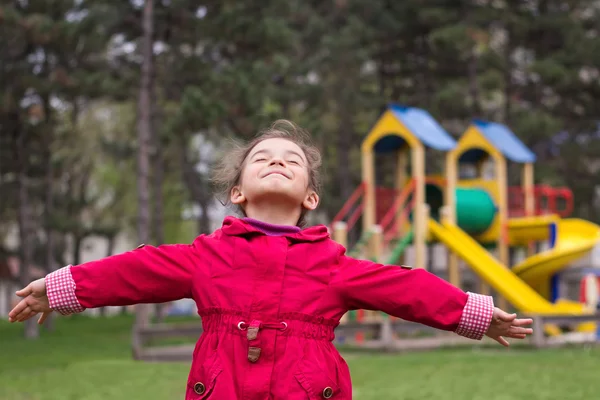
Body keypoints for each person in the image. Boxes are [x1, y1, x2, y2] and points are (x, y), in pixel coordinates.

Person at [8, 120, 533, 400]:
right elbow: (132, 271)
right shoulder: (204, 257)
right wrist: (60, 288)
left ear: (310, 196)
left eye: (292, 160)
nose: (278, 160)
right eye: (263, 158)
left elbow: (406, 287)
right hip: (223, 387)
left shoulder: (333, 265)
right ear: (237, 191)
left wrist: (475, 314)